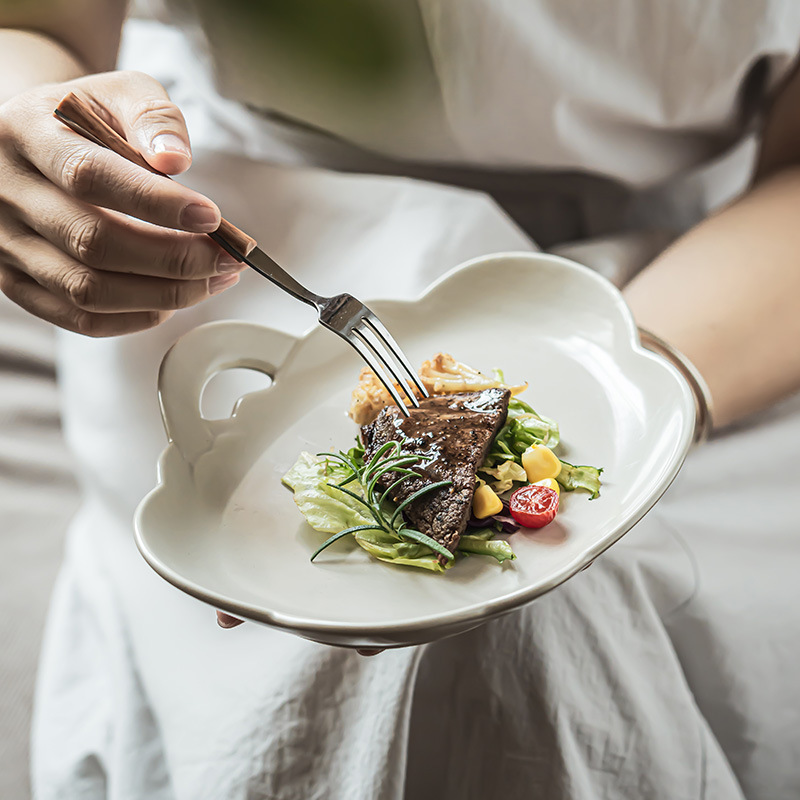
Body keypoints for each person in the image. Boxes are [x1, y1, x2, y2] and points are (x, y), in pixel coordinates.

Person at [1, 2, 799, 798]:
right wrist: (29, 133)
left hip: (719, 281)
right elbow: (37, 30)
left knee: (544, 620)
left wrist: (639, 386)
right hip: (250, 237)